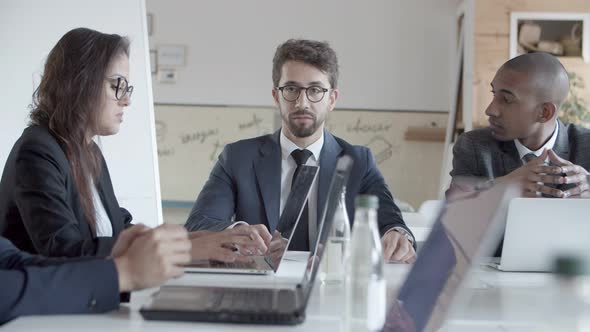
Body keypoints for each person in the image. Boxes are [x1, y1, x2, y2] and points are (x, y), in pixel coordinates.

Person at [0, 28, 260, 262]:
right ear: (79, 82)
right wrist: (190, 251)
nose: (126, 101)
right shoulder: (37, 152)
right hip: (43, 312)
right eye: (117, 85)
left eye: (127, 88)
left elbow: (122, 233)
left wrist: (214, 238)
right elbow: (64, 251)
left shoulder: (89, 152)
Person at [186, 39, 416, 263]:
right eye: (291, 89)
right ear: (276, 96)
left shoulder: (358, 161)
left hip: (330, 285)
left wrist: (397, 235)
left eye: (315, 90)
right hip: (262, 286)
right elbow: (199, 223)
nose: (302, 103)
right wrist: (237, 232)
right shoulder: (238, 157)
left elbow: (392, 222)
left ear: (332, 99)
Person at [449, 52, 590, 255]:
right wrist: (501, 188)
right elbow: (453, 222)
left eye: (506, 99)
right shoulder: (474, 146)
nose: (490, 110)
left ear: (544, 112)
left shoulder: (586, 144)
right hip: (492, 278)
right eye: (493, 94)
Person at [0, 223, 191, 324]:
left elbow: (13, 261)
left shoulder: (92, 157)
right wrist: (123, 273)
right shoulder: (39, 151)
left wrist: (115, 263)